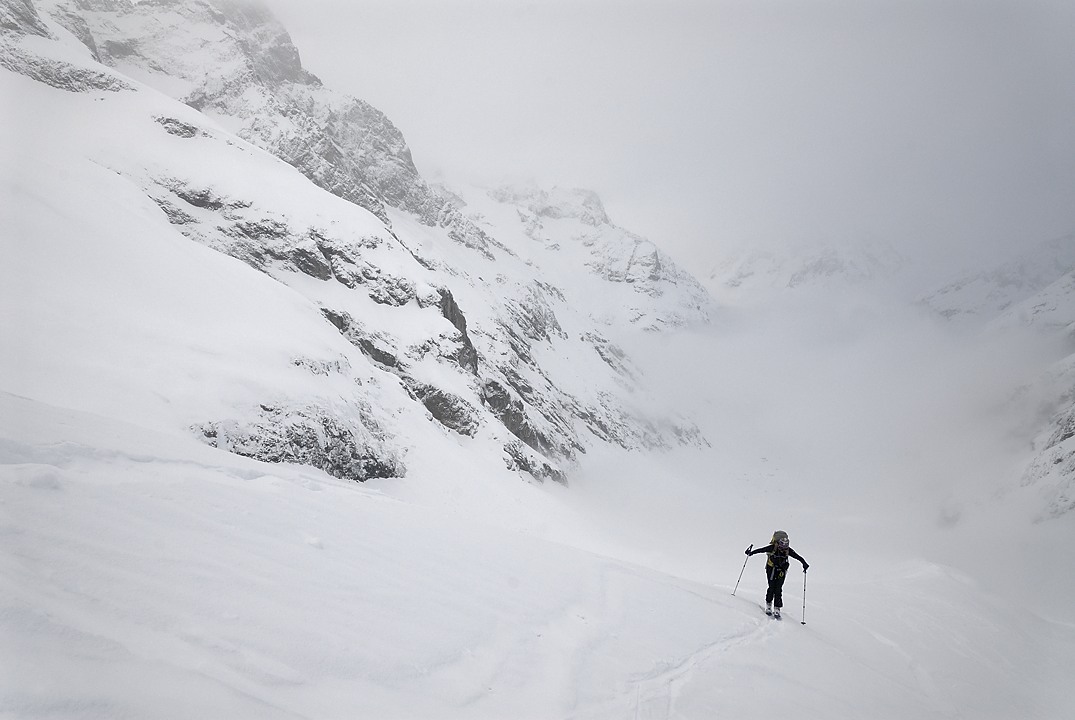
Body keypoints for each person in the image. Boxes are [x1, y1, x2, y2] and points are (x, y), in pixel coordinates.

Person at [745, 530, 808, 618]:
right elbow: (761, 550)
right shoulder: (772, 548)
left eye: (785, 545)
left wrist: (804, 563)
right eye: (782, 545)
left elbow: (798, 557)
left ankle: (777, 607)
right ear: (778, 543)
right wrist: (751, 553)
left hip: (781, 570)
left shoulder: (788, 550)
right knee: (771, 587)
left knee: (778, 588)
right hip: (771, 569)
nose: (784, 547)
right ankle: (769, 604)